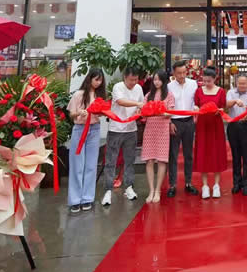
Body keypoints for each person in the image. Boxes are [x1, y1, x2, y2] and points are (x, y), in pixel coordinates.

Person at [101, 67, 145, 207]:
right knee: (111, 161)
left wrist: (139, 110)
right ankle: (108, 190)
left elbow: (141, 105)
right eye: (131, 80)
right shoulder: (117, 87)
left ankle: (129, 187)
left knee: (129, 160)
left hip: (131, 129)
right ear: (125, 77)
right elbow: (120, 101)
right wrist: (137, 104)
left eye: (136, 79)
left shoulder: (138, 88)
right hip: (116, 129)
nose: (134, 82)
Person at [67, 68, 107, 213]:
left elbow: (102, 113)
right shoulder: (79, 94)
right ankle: (75, 200)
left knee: (91, 165)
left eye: (100, 80)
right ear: (90, 78)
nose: (98, 83)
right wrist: (79, 112)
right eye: (96, 79)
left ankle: (87, 198)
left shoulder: (99, 95)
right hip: (79, 129)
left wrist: (101, 112)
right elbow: (71, 114)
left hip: (94, 129)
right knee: (77, 164)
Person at [167, 60, 199, 197]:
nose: (182, 75)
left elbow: (196, 101)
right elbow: (166, 105)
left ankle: (188, 183)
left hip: (189, 121)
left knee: (188, 154)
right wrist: (169, 122)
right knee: (173, 154)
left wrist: (196, 110)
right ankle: (172, 185)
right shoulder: (169, 86)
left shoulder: (193, 84)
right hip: (175, 122)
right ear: (174, 73)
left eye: (184, 72)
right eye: (179, 73)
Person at [141, 70, 174, 203]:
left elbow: (171, 112)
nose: (157, 82)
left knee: (161, 160)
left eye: (159, 79)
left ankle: (158, 190)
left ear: (164, 81)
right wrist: (146, 111)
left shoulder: (169, 95)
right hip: (150, 130)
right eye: (155, 79)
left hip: (162, 130)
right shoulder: (148, 95)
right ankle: (151, 190)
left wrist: (161, 111)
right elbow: (143, 113)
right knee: (149, 160)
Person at [194, 67, 227, 198]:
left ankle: (217, 185)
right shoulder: (198, 91)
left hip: (216, 125)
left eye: (209, 81)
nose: (206, 83)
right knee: (203, 153)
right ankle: (205, 185)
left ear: (214, 79)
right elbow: (196, 105)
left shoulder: (221, 91)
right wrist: (196, 108)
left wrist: (220, 110)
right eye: (204, 81)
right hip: (202, 125)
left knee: (216, 153)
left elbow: (223, 107)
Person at [226, 73, 247, 195]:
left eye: (244, 83)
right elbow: (227, 105)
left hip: (246, 126)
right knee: (236, 155)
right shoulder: (230, 92)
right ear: (236, 83)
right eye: (240, 83)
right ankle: (236, 183)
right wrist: (235, 101)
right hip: (233, 125)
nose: (242, 85)